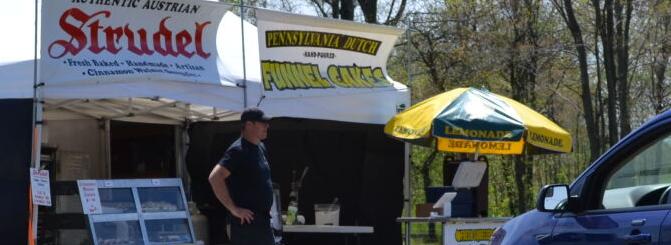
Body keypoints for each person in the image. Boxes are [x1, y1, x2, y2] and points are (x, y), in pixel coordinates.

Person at [209, 108, 274, 245]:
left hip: (263, 222)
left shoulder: (260, 147)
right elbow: (215, 177)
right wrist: (234, 209)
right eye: (263, 123)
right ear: (249, 125)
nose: (267, 126)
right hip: (247, 223)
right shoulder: (238, 150)